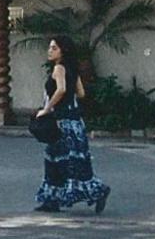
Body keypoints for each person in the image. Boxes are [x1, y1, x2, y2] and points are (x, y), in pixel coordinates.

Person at [33, 37, 110, 214]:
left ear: (62, 51)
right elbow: (81, 93)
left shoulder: (59, 68)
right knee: (75, 160)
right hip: (75, 122)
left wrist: (47, 108)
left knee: (55, 159)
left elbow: (60, 90)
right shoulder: (72, 69)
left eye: (54, 48)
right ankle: (87, 193)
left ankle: (53, 198)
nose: (49, 51)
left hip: (62, 122)